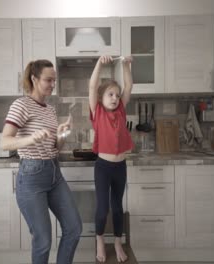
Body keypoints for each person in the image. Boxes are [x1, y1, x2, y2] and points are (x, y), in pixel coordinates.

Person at [1, 59, 82, 264]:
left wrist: (61, 135)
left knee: (73, 228)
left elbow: (54, 148)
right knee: (43, 240)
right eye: (48, 79)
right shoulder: (21, 105)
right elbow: (5, 142)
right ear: (34, 79)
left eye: (54, 80)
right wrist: (31, 138)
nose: (52, 84)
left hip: (54, 172)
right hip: (31, 177)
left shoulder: (50, 110)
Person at [89, 55, 134, 263]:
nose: (115, 98)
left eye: (117, 94)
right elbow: (92, 86)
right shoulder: (97, 111)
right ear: (101, 97)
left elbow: (129, 84)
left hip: (120, 167)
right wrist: (100, 62)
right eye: (110, 94)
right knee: (102, 208)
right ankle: (99, 239)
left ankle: (117, 241)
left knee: (117, 207)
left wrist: (125, 64)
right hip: (103, 167)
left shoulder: (122, 110)